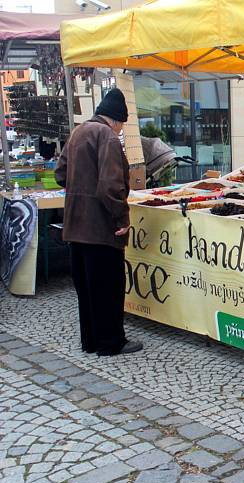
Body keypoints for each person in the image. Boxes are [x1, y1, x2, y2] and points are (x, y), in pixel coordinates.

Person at [55, 88, 143, 356]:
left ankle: (90, 340)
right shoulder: (107, 137)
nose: (120, 130)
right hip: (100, 227)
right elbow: (110, 186)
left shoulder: (78, 132)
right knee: (107, 286)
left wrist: (81, 186)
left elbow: (60, 174)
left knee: (87, 289)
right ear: (116, 120)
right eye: (121, 125)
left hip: (75, 226)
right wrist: (122, 218)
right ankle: (111, 342)